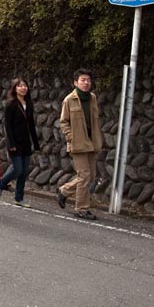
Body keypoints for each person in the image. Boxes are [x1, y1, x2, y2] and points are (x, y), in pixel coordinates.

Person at [56, 68, 104, 220]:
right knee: (84, 175)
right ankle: (82, 208)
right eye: (83, 80)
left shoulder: (92, 98)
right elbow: (63, 122)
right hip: (78, 144)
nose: (86, 83)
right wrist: (71, 137)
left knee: (90, 176)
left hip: (91, 142)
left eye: (88, 80)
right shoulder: (69, 99)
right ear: (76, 82)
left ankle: (64, 191)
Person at [0, 77, 40, 207]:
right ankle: (0, 184)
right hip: (14, 142)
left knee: (24, 172)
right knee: (17, 169)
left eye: (25, 85)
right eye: (20, 86)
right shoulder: (11, 104)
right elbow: (7, 126)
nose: (23, 88)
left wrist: (36, 143)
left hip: (26, 142)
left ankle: (19, 198)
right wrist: (11, 144)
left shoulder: (29, 103)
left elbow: (31, 125)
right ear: (14, 88)